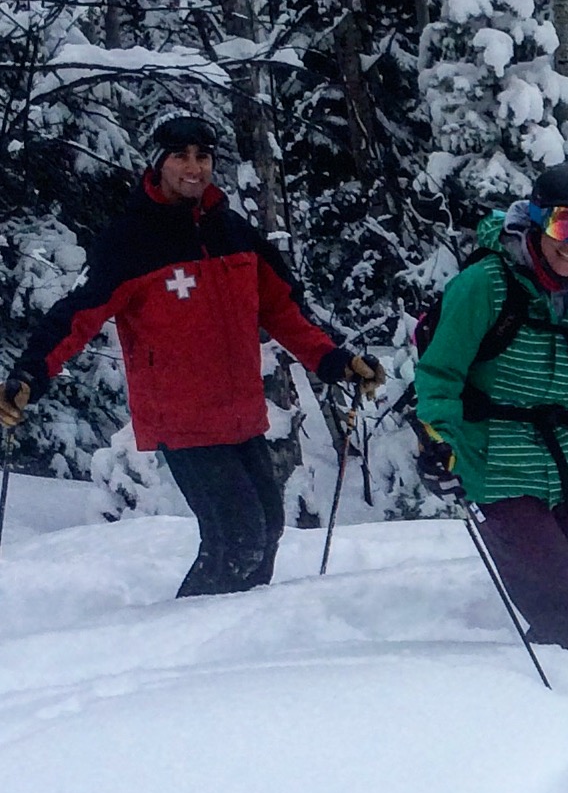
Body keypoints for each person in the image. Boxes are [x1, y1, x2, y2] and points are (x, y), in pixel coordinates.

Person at [0, 113, 383, 597]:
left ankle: (235, 646)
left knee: (267, 532)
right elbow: (75, 316)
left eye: (202, 156)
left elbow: (287, 312)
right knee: (239, 539)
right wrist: (30, 376)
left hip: (240, 411)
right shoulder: (130, 241)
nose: (193, 167)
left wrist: (336, 361)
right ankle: (182, 644)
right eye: (180, 156)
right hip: (182, 418)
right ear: (158, 164)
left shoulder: (235, 233)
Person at [413, 160, 568, 650]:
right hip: (493, 462)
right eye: (565, 226)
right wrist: (439, 443)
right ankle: (565, 705)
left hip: (567, 469)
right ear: (539, 219)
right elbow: (440, 374)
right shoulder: (487, 285)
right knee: (559, 596)